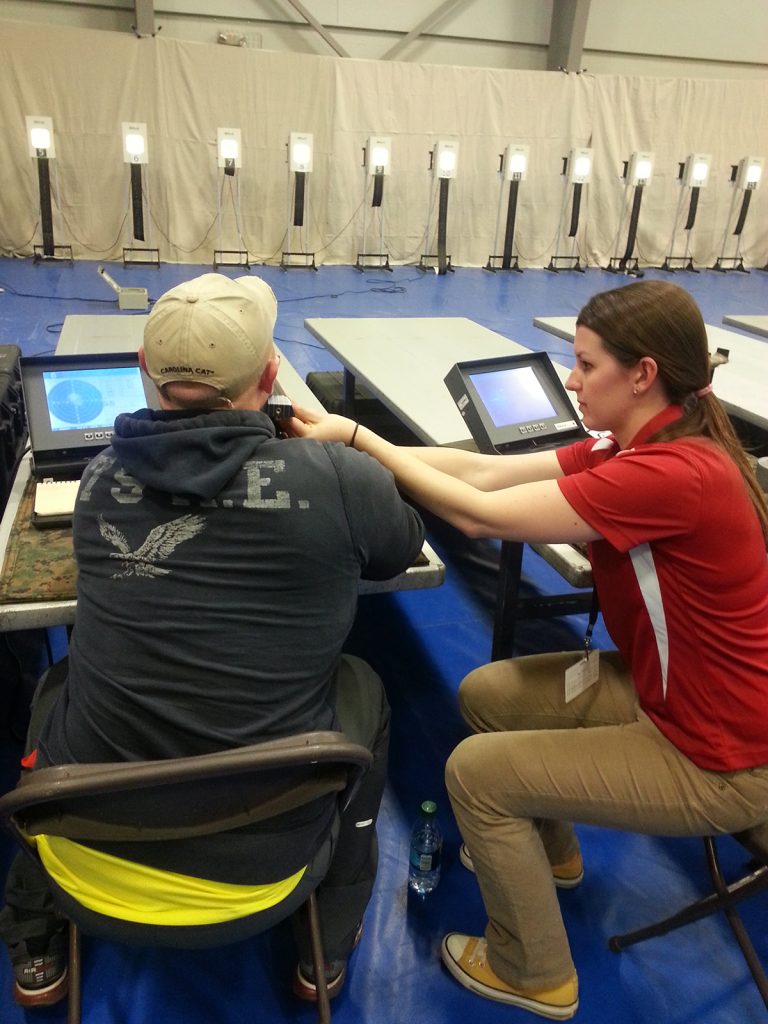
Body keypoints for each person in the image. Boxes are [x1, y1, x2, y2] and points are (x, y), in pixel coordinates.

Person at [286, 279, 768, 1020]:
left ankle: (534, 970)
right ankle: (554, 853)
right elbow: (481, 470)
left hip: (720, 755)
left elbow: (478, 518)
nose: (570, 381)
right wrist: (362, 441)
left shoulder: (671, 474)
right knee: (488, 695)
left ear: (643, 375)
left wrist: (358, 440)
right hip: (670, 694)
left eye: (585, 365)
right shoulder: (642, 442)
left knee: (476, 775)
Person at [0, 273, 424, 1008]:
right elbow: (401, 549)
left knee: (54, 687)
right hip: (270, 859)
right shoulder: (339, 477)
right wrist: (334, 460)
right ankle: (325, 938)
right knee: (366, 688)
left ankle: (36, 938)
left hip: (90, 849)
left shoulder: (100, 476)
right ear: (270, 376)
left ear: (142, 368)